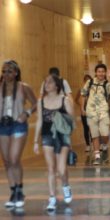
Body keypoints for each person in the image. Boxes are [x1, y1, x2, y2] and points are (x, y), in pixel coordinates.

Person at [34, 75, 74, 211]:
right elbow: (39, 120)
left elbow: (71, 120)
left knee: (61, 170)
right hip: (47, 136)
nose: (46, 84)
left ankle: (66, 185)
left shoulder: (65, 100)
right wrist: (35, 141)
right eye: (45, 82)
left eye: (50, 82)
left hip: (62, 137)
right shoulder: (41, 101)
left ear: (57, 85)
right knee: (51, 168)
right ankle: (52, 197)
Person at [0, 60, 37, 208]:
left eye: (9, 71)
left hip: (18, 124)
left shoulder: (23, 87)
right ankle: (13, 191)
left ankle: (20, 190)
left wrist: (26, 113)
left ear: (16, 73)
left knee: (14, 159)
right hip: (3, 125)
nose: (5, 74)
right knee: (7, 161)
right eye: (3, 71)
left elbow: (36, 103)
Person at [80, 64, 110, 165]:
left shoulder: (107, 84)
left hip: (103, 112)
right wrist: (82, 108)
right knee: (94, 134)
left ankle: (104, 144)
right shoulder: (89, 82)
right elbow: (83, 94)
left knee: (105, 134)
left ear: (105, 73)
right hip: (91, 112)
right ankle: (97, 156)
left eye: (103, 71)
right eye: (99, 71)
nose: (101, 73)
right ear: (95, 72)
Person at [75, 74, 93, 152]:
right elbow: (76, 99)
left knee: (92, 127)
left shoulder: (94, 89)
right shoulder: (81, 89)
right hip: (84, 111)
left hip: (92, 111)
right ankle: (88, 145)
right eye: (86, 80)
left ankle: (93, 142)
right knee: (86, 128)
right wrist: (81, 106)